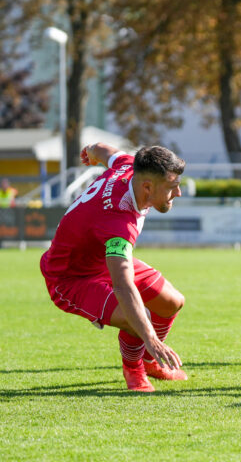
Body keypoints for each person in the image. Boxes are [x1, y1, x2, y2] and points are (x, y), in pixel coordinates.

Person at [39, 143, 187, 392]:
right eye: (172, 187)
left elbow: (105, 151)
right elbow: (123, 286)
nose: (179, 193)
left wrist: (90, 150)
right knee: (139, 318)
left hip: (99, 260)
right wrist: (150, 337)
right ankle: (134, 370)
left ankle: (150, 362)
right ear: (147, 187)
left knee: (172, 301)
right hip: (69, 277)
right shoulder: (119, 223)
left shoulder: (130, 165)